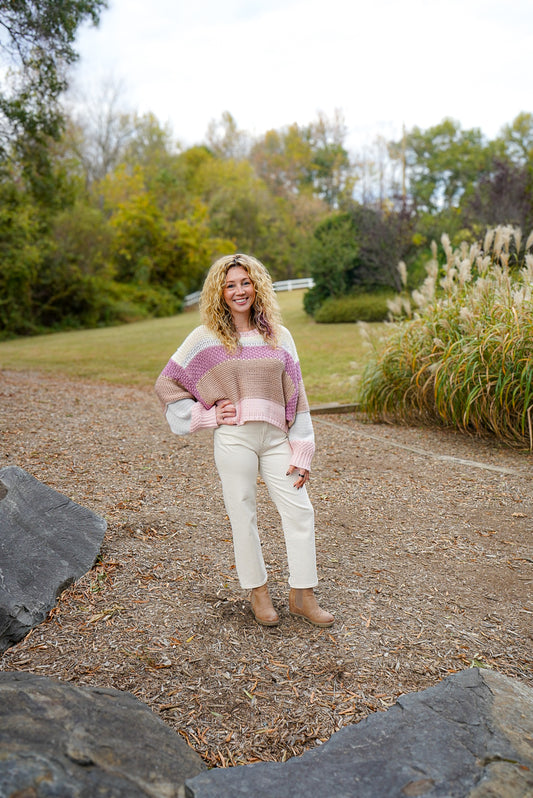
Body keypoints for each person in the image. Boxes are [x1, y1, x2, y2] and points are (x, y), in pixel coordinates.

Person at [155, 253, 334, 628]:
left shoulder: (280, 336)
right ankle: (259, 593)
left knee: (300, 510)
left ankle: (303, 595)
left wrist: (303, 446)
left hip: (276, 438)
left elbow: (297, 393)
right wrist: (204, 415)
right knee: (243, 512)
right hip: (235, 438)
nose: (239, 291)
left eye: (245, 283)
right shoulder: (205, 338)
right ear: (220, 292)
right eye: (231, 284)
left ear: (257, 287)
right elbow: (167, 383)